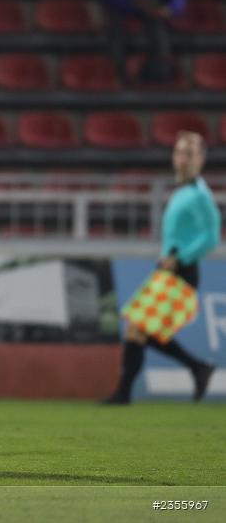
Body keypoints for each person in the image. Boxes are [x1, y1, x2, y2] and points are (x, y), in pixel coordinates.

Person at [103, 131, 219, 404]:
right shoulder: (182, 192)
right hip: (168, 269)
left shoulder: (201, 196)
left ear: (201, 159)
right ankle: (197, 368)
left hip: (181, 270)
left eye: (189, 154)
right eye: (179, 153)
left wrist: (181, 257)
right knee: (139, 329)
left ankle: (125, 394)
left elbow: (211, 237)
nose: (182, 159)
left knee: (139, 328)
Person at [99, 0, 188, 84]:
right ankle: (117, 70)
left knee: (158, 27)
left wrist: (170, 9)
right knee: (114, 29)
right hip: (123, 3)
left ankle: (160, 67)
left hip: (153, 3)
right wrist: (132, 3)